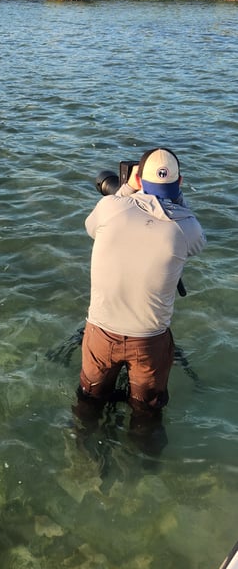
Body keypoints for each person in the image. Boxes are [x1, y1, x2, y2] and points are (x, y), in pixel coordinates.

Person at [77, 147, 206, 415]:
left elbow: (91, 228)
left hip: (101, 334)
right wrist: (174, 200)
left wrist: (125, 191)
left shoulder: (109, 207)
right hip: (150, 341)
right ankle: (144, 451)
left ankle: (83, 451)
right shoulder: (188, 226)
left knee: (88, 405)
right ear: (179, 182)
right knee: (147, 414)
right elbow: (196, 242)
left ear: (137, 180)